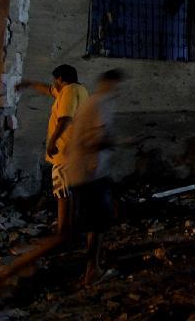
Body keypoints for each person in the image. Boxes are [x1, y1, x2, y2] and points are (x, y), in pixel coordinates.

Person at [65, 69, 124, 285]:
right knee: (98, 224)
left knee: (93, 224)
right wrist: (119, 143)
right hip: (91, 172)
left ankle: (92, 268)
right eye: (118, 85)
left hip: (83, 172)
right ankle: (92, 270)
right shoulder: (103, 104)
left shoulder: (90, 102)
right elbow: (93, 141)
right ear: (111, 84)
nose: (119, 90)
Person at [16, 65, 89, 237]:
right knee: (70, 191)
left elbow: (64, 119)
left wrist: (52, 142)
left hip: (64, 151)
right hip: (75, 151)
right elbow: (49, 90)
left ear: (61, 79)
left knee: (62, 192)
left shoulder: (69, 91)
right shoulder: (79, 90)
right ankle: (71, 228)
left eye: (55, 80)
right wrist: (29, 84)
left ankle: (63, 231)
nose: (53, 84)